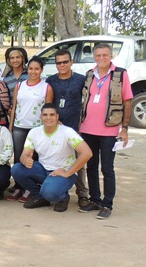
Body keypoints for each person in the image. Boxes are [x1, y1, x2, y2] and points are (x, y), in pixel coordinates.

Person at [78, 43, 133, 219]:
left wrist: (124, 128)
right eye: (98, 55)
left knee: (107, 168)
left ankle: (107, 204)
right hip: (87, 129)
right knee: (91, 166)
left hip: (109, 130)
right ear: (94, 56)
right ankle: (95, 199)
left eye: (105, 55)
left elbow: (127, 102)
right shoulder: (89, 75)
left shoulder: (120, 74)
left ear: (111, 56)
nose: (101, 58)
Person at [11, 104, 93, 212]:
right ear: (40, 116)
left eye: (52, 115)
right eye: (45, 114)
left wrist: (68, 172)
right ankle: (40, 197)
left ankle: (63, 198)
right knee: (16, 169)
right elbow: (24, 155)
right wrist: (25, 160)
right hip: (43, 169)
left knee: (49, 192)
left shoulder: (67, 132)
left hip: (62, 172)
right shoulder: (34, 132)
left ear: (57, 116)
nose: (48, 118)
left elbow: (87, 153)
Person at [45, 49, 90, 207]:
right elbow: (49, 104)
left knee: (79, 161)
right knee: (56, 158)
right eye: (59, 62)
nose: (62, 65)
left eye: (65, 62)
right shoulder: (51, 81)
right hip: (56, 127)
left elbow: (87, 102)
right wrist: (54, 123)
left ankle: (83, 194)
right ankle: (57, 191)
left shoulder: (81, 80)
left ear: (72, 62)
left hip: (75, 127)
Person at [8, 57, 54, 201]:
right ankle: (18, 187)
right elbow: (14, 106)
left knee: (33, 159)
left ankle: (30, 189)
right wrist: (11, 127)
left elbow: (48, 109)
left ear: (41, 70)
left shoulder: (46, 87)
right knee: (18, 157)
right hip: (19, 126)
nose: (33, 72)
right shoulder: (20, 86)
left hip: (37, 129)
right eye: (31, 68)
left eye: (37, 69)